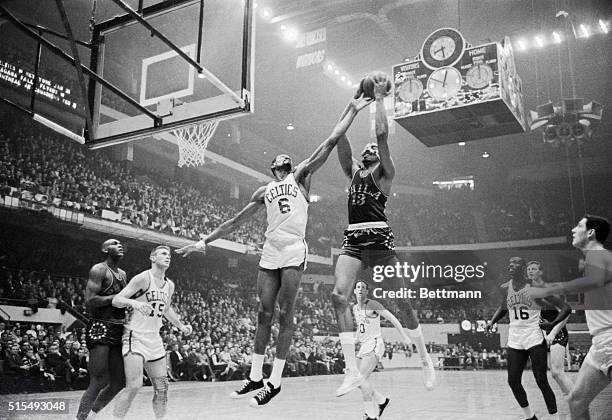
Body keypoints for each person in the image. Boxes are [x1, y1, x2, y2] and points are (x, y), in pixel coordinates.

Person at [176, 94, 372, 407]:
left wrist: (351, 109)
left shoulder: (301, 176)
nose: (283, 161)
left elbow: (332, 140)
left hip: (294, 248)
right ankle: (255, 376)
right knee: (263, 312)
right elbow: (233, 221)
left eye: (286, 160)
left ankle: (275, 381)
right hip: (271, 249)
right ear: (272, 168)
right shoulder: (263, 189)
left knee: (285, 312)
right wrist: (203, 242)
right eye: (279, 161)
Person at [332, 77, 435, 397]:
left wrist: (378, 100)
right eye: (367, 149)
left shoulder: (385, 172)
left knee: (402, 301)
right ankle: (351, 369)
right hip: (353, 240)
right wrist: (352, 104)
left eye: (374, 148)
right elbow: (338, 137)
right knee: (338, 297)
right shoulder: (353, 174)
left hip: (379, 241)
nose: (370, 147)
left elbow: (380, 134)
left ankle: (424, 359)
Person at [528, 215, 612, 419]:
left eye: (579, 226)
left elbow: (595, 280)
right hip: (600, 344)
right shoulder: (596, 258)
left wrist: (554, 287)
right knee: (576, 401)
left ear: (590, 232)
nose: (573, 230)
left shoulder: (597, 253)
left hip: (610, 340)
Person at [111, 245, 192, 419]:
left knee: (162, 388)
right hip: (135, 336)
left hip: (154, 339)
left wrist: (181, 326)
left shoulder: (169, 285)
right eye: (163, 254)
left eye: (169, 255)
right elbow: (117, 300)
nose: (168, 257)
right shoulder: (143, 278)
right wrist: (136, 304)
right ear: (152, 258)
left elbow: (167, 309)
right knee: (134, 386)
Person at [487, 257, 569, 420]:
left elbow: (566, 308)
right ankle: (530, 417)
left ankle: (555, 418)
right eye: (509, 262)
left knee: (541, 380)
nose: (511, 264)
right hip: (515, 339)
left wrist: (552, 324)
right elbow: (503, 307)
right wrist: (492, 321)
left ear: (523, 267)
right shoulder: (506, 287)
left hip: (533, 337)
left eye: (516, 263)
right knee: (513, 382)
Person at [76, 239, 127, 420]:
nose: (120, 245)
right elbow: (90, 301)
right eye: (115, 243)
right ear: (105, 249)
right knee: (99, 380)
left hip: (118, 327)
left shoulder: (122, 274)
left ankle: (91, 415)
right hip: (101, 326)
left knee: (120, 381)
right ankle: (80, 418)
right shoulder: (98, 270)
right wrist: (118, 297)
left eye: (121, 244)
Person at [353, 281, 412, 419]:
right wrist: (354, 340)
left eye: (363, 287)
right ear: (355, 291)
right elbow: (361, 327)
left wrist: (405, 336)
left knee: (360, 379)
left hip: (374, 344)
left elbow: (393, 319)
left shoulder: (373, 305)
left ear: (367, 292)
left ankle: (370, 415)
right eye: (358, 287)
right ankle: (381, 400)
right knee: (355, 380)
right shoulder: (355, 308)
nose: (361, 289)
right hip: (363, 346)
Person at [526, 260, 573, 395]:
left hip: (556, 333)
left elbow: (566, 313)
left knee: (557, 372)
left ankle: (575, 400)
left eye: (534, 269)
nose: (530, 271)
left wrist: (553, 332)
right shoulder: (529, 291)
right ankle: (570, 398)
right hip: (540, 334)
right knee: (550, 373)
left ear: (541, 272)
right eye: (528, 269)